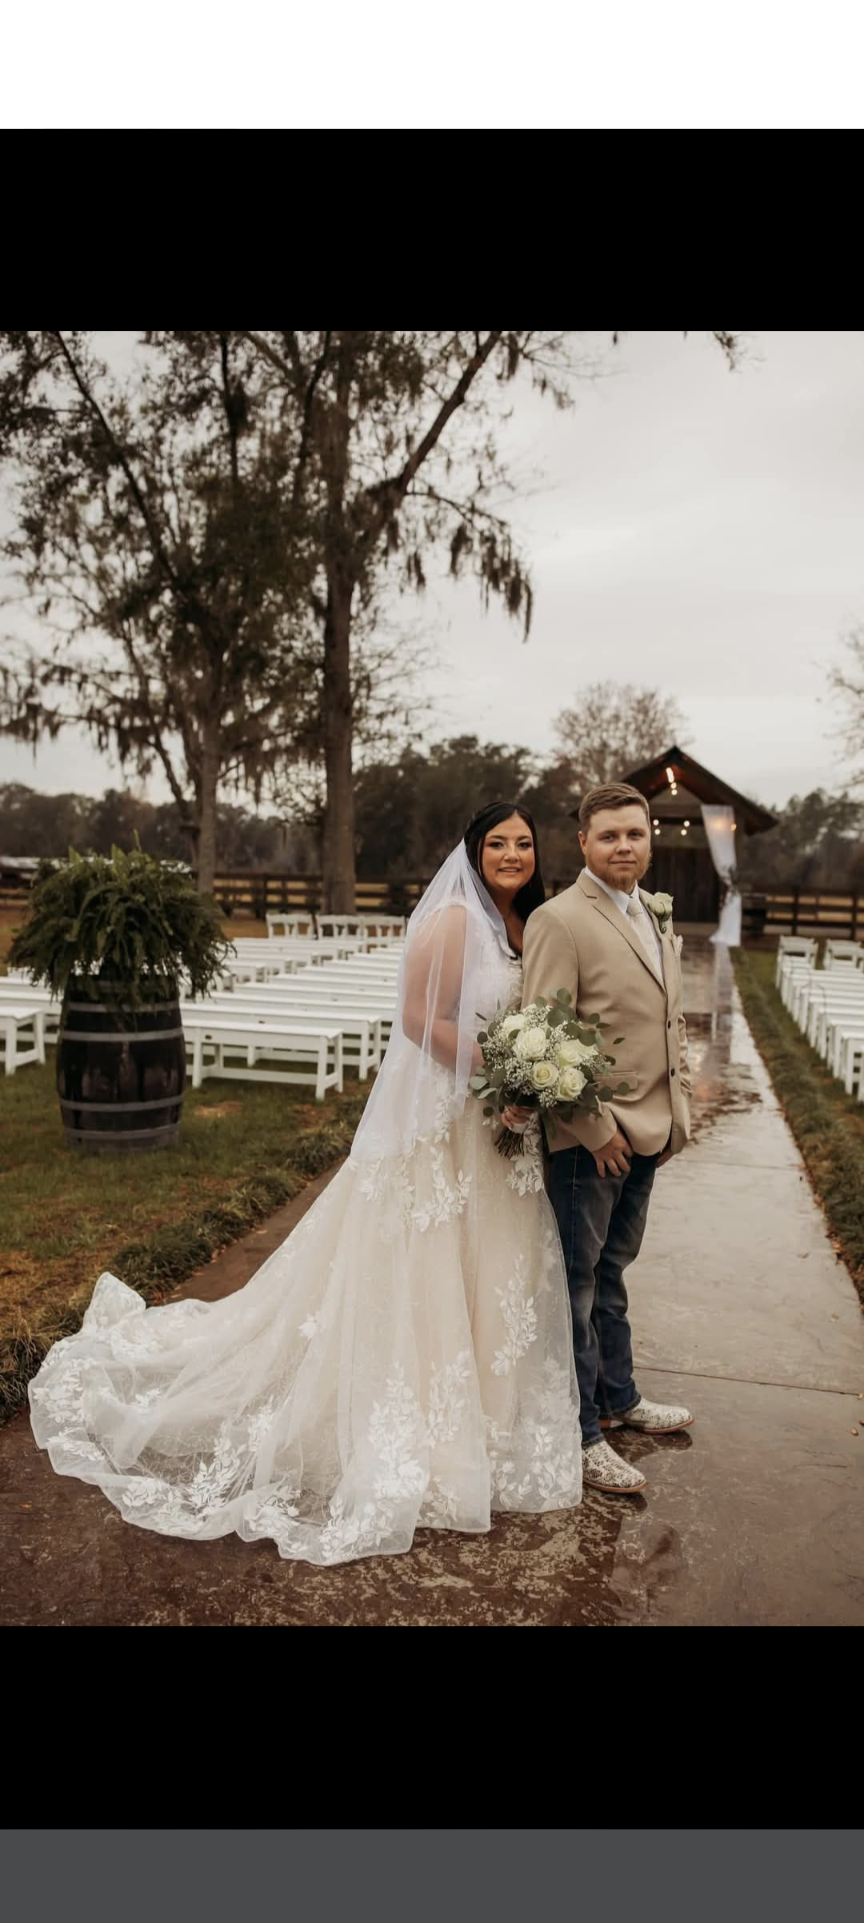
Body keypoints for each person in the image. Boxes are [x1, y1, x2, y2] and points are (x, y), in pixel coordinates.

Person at [28, 803, 582, 1565]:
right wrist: (505, 1070)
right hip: (447, 1119)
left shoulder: (527, 924)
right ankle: (428, 1427)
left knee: (491, 1270)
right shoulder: (456, 920)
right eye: (498, 844)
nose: (513, 854)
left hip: (500, 1131)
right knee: (428, 1271)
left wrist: (531, 1082)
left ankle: (488, 1417)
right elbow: (421, 1022)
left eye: (523, 843)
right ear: (474, 852)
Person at [517, 782, 694, 1496]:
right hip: (594, 1139)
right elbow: (542, 1036)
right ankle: (580, 1429)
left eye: (636, 833)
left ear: (650, 838)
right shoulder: (561, 920)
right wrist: (593, 1128)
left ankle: (619, 1396)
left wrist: (676, 1113)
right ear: (584, 844)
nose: (625, 845)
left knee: (614, 1272)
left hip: (652, 1128)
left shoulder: (650, 911)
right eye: (610, 835)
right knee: (577, 1284)